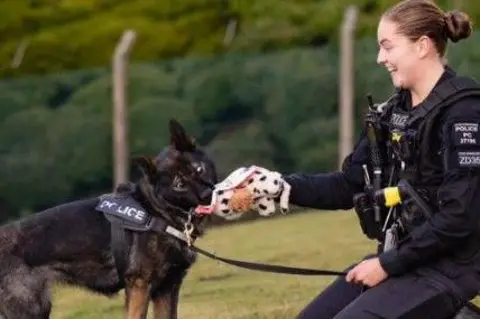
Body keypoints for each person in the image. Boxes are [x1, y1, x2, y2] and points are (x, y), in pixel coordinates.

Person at [238, 0, 480, 318]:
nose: (381, 58)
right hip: (405, 258)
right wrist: (279, 187)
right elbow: (349, 184)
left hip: (451, 267)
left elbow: (460, 217)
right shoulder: (392, 114)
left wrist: (384, 265)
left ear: (422, 46)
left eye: (388, 47)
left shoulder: (463, 112)